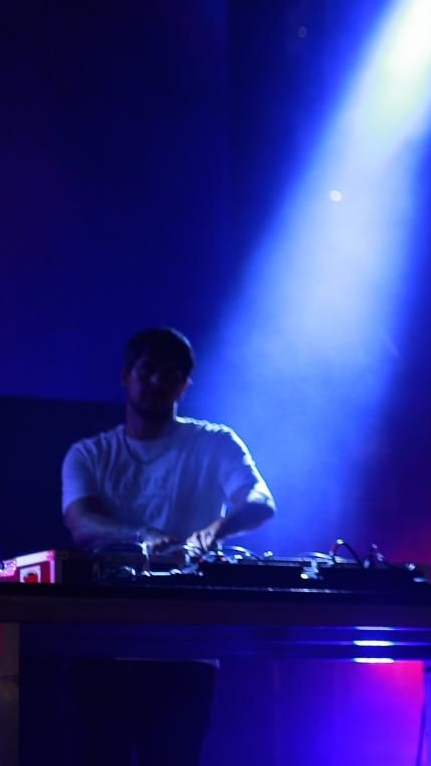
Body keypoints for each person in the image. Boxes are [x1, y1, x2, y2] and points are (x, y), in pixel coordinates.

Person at [61, 326, 275, 766]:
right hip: (104, 643)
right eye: (149, 370)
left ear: (185, 385)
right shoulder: (89, 454)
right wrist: (142, 536)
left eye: (171, 374)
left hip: (187, 648)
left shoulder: (215, 442)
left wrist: (214, 530)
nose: (158, 381)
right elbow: (81, 524)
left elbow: (260, 502)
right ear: (126, 376)